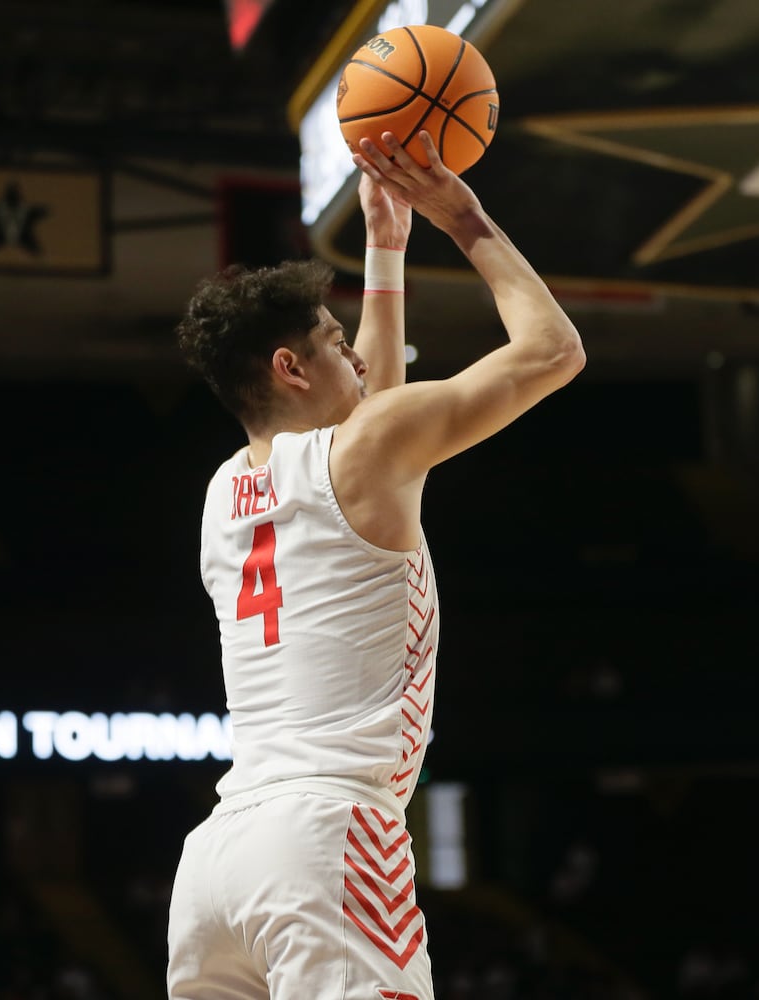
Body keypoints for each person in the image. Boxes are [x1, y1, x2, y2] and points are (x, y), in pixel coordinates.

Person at [166, 130, 585, 999]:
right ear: (288, 367)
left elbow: (372, 414)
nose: (353, 350)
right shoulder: (363, 454)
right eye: (331, 340)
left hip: (216, 864)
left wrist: (384, 249)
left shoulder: (221, 494)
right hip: (325, 838)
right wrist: (461, 218)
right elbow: (553, 350)